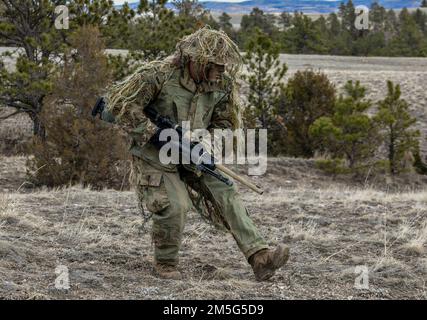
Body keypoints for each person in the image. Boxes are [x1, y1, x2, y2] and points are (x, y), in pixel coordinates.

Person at [100, 26, 289, 281]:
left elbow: (224, 124)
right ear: (197, 61)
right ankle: (165, 264)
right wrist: (154, 133)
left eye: (224, 65)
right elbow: (123, 106)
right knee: (175, 204)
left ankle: (260, 257)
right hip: (154, 155)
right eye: (216, 65)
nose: (221, 70)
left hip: (194, 153)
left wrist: (205, 144)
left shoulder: (222, 85)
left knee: (226, 191)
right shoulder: (158, 75)